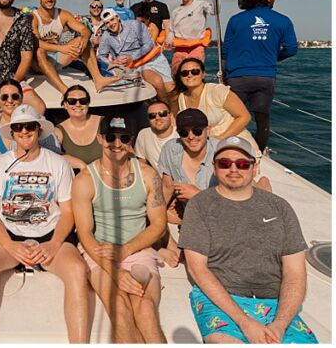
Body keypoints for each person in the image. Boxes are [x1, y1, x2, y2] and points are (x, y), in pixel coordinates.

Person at [179, 136, 317, 344]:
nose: (234, 169)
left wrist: (279, 325)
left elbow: (295, 272)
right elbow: (198, 269)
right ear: (214, 168)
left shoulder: (280, 207)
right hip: (222, 300)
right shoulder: (200, 206)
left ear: (254, 168)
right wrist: (244, 321)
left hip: (275, 303)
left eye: (243, 164)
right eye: (225, 163)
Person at [0, 105, 90, 343]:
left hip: (50, 234)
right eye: (18, 127)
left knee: (77, 271)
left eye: (29, 126)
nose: (24, 131)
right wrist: (10, 246)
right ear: (12, 133)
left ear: (38, 129)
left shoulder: (58, 163)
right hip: (9, 234)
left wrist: (54, 244)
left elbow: (68, 211)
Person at [72, 115, 168, 343]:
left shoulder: (147, 174)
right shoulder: (85, 180)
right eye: (110, 137)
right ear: (99, 138)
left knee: (145, 309)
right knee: (119, 308)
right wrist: (114, 270)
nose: (117, 144)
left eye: (123, 138)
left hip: (137, 248)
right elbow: (84, 233)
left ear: (131, 140)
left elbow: (159, 225)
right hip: (100, 252)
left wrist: (124, 251)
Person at [156, 109, 271, 268]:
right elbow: (166, 188)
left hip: (225, 212)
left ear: (208, 130)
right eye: (184, 132)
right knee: (153, 210)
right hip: (193, 213)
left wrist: (197, 195)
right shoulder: (171, 149)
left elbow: (237, 202)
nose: (191, 136)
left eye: (197, 131)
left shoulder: (222, 154)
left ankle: (262, 187)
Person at [222, 0, 298, 153]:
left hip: (237, 77)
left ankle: (227, 150)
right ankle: (258, 155)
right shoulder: (283, 21)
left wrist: (226, 75)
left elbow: (225, 51)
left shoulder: (235, 20)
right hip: (266, 77)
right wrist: (272, 57)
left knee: (231, 117)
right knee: (262, 119)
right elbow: (291, 49)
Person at [30, 0, 121, 93]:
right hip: (38, 63)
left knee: (82, 40)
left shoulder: (63, 14)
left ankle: (98, 79)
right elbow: (35, 42)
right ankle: (64, 89)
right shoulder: (33, 17)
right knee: (40, 51)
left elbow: (85, 30)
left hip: (57, 59)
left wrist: (84, 39)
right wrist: (61, 48)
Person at [174, 57, 256, 151]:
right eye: (184, 73)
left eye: (195, 71)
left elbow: (245, 117)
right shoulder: (182, 98)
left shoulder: (217, 91)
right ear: (180, 77)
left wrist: (220, 139)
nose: (189, 75)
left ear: (203, 74)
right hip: (206, 148)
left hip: (236, 144)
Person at [98, 8, 175, 101]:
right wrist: (113, 62)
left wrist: (132, 57)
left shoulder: (135, 25)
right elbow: (102, 56)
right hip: (134, 67)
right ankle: (163, 110)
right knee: (157, 81)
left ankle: (171, 112)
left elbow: (149, 44)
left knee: (171, 91)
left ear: (117, 17)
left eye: (112, 19)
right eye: (107, 23)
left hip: (151, 59)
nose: (111, 24)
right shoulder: (105, 36)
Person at [0, 79, 60, 157]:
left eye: (15, 96)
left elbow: (54, 152)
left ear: (21, 98)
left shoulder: (38, 120)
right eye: (4, 97)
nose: (10, 100)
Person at [167, 0, 220, 72]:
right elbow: (172, 30)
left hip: (196, 47)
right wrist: (168, 41)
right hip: (180, 48)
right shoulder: (175, 11)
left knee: (195, 72)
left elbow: (215, 11)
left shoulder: (201, 5)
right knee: (177, 74)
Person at [54, 85, 103, 172]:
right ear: (65, 105)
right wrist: (80, 164)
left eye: (83, 101)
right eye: (72, 101)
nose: (78, 104)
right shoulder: (58, 131)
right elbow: (50, 157)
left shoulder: (103, 122)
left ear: (88, 104)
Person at [134, 99, 178, 172]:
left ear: (170, 115)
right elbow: (141, 163)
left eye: (162, 114)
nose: (157, 118)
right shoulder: (144, 134)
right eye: (152, 116)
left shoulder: (181, 134)